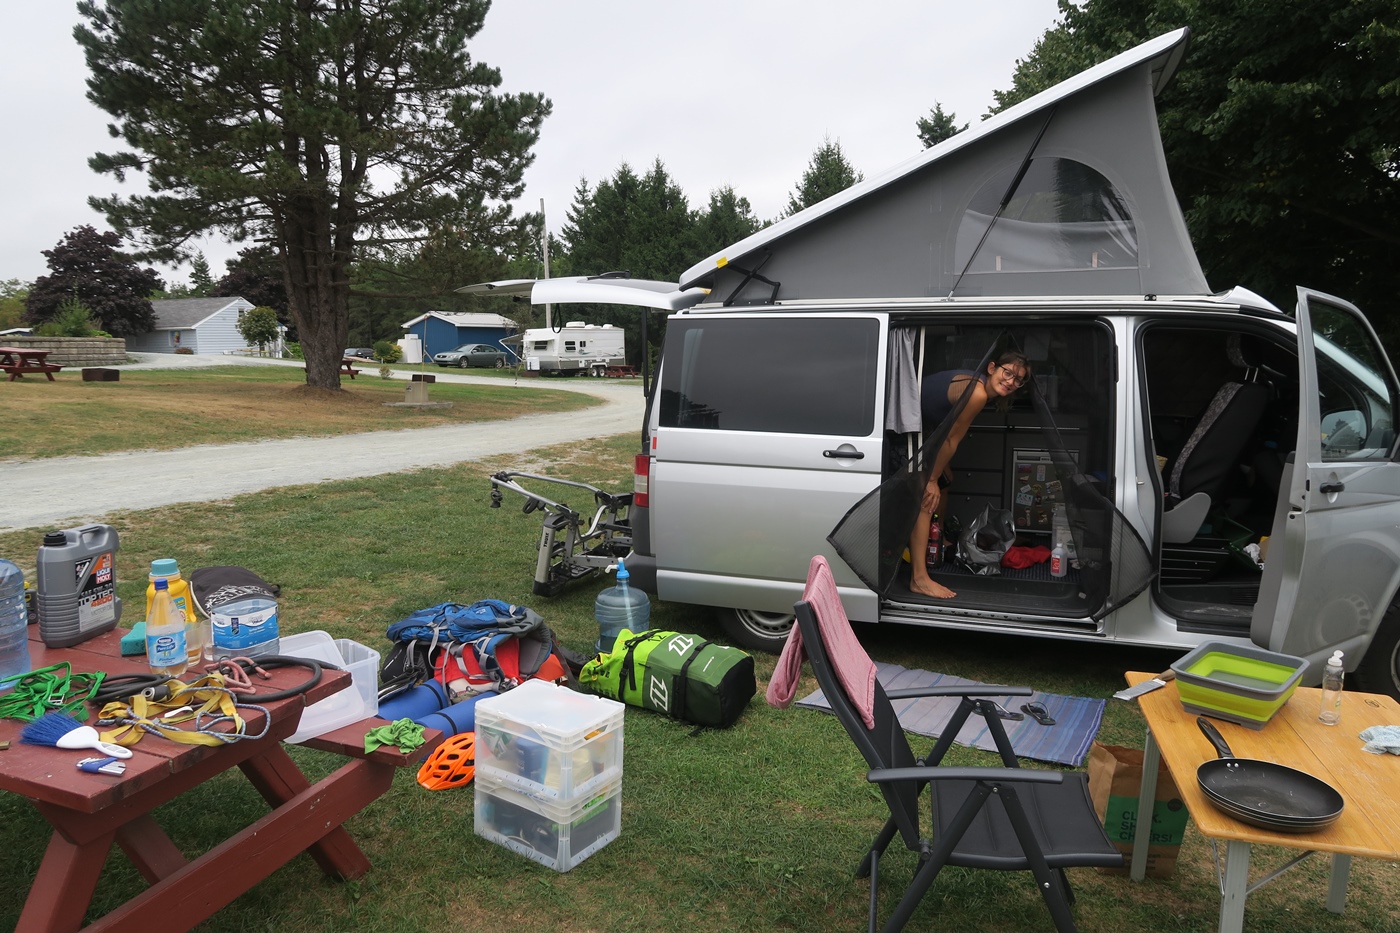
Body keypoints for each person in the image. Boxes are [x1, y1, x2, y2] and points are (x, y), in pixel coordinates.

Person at [909, 350, 1031, 599]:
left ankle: (938, 539)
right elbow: (951, 439)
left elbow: (945, 430)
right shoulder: (977, 393)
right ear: (992, 368)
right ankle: (918, 578)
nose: (1011, 381)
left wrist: (939, 474)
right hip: (904, 425)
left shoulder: (980, 386)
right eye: (1007, 373)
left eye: (1018, 379)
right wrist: (931, 479)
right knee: (926, 496)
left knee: (945, 481)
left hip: (924, 425)